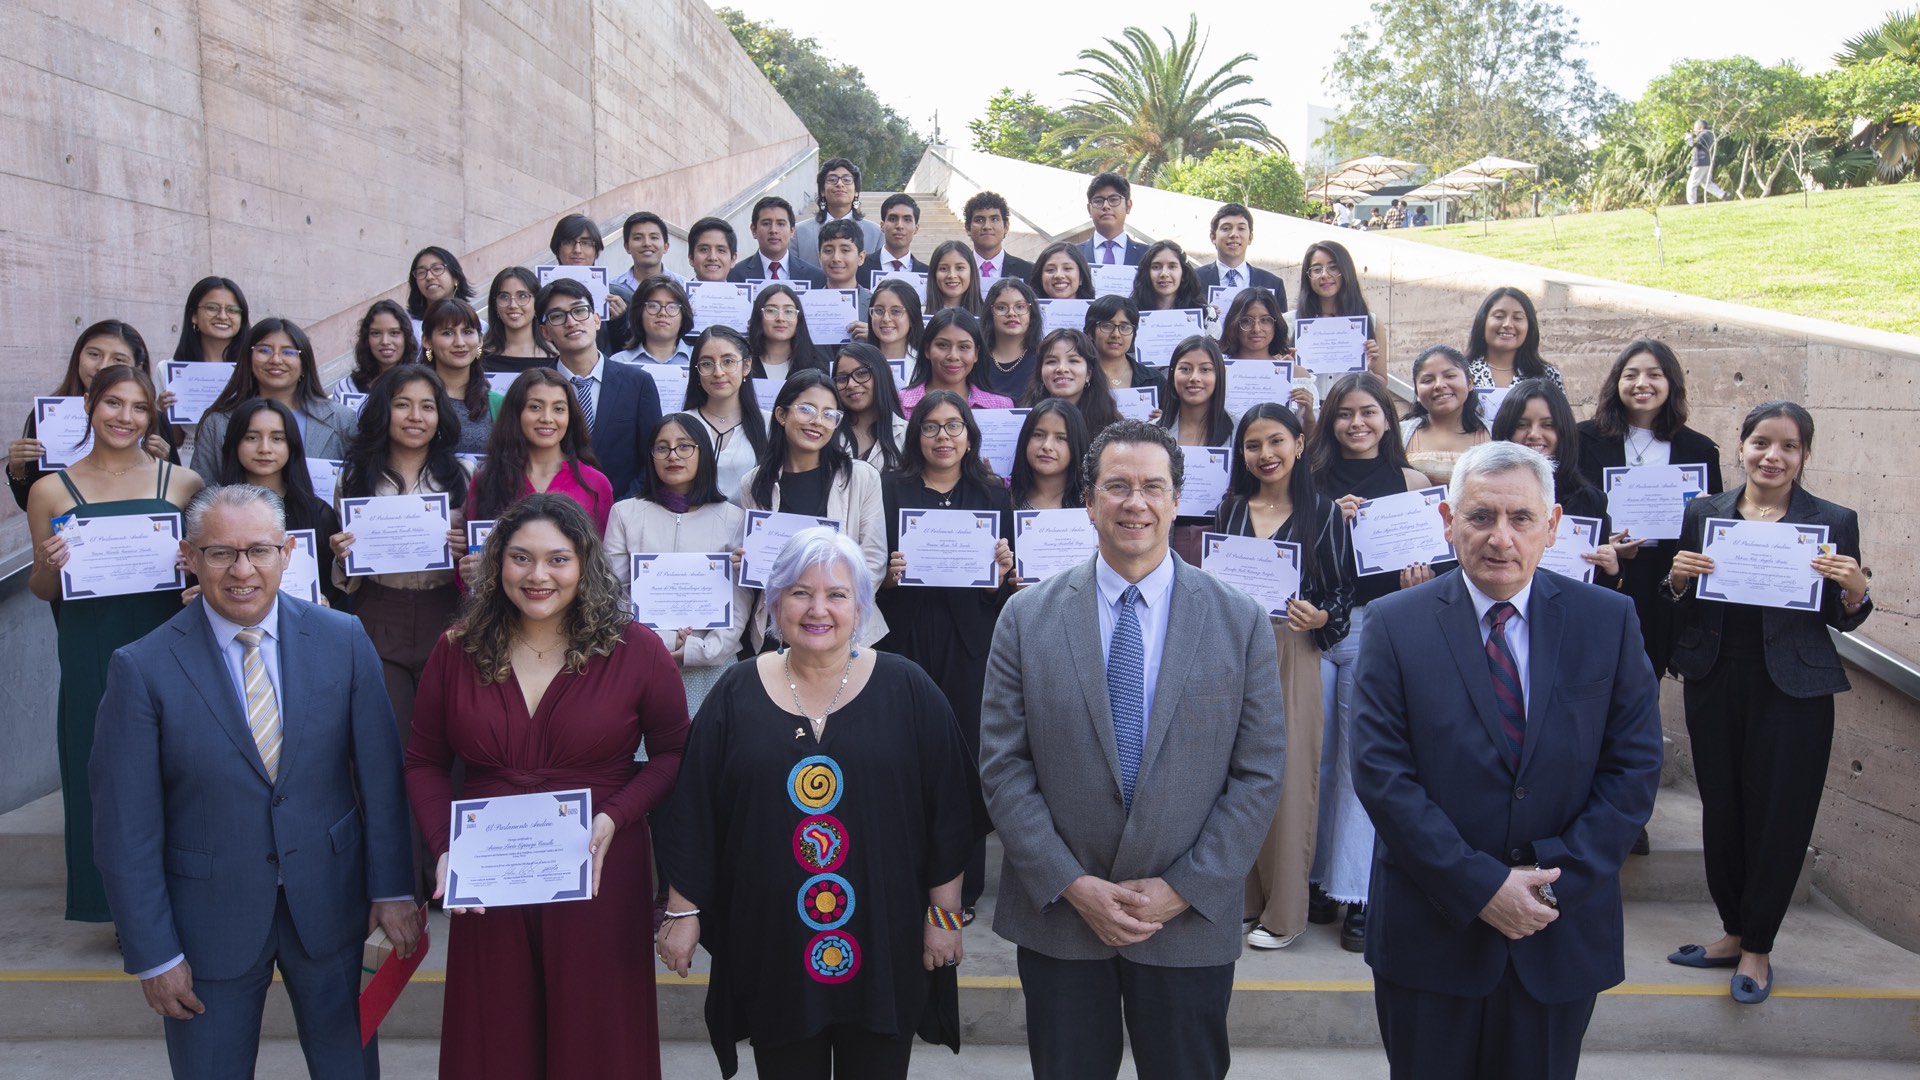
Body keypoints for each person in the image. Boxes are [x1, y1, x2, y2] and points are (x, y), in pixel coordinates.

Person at [979, 419, 1286, 1080]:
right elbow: (1004, 766)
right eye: (1117, 487)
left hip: (1187, 919)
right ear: (1089, 501)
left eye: (1152, 487)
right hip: (1062, 916)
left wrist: (1187, 886)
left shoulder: (1239, 619)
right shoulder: (1026, 619)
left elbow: (1259, 772)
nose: (1134, 503)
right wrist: (1071, 883)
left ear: (1177, 500)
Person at [1351, 440, 1665, 1080]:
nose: (1501, 538)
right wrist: (1482, 887)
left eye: (1521, 518)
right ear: (1447, 521)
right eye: (1480, 516)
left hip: (1558, 932)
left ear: (1551, 527)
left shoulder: (1608, 620)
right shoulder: (1393, 625)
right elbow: (1383, 778)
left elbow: (1633, 770)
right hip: (1431, 935)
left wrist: (1552, 886)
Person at [90, 483, 418, 1079]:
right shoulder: (140, 667)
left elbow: (382, 780)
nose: (242, 570)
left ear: (287, 552)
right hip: (207, 920)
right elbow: (125, 828)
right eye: (220, 553)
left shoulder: (344, 640)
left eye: (259, 551)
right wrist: (153, 953)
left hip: (331, 904)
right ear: (189, 557)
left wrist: (393, 887)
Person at [656, 527, 979, 1079]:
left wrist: (944, 916)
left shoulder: (909, 688)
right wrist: (683, 912)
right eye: (800, 593)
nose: (818, 609)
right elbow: (694, 813)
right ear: (775, 603)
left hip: (885, 937)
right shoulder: (734, 692)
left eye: (836, 594)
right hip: (774, 941)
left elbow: (950, 812)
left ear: (861, 607)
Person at [408, 493, 689, 1079]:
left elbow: (673, 753)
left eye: (557, 559)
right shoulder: (457, 650)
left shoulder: (635, 649)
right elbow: (424, 761)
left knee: (597, 1039)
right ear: (497, 564)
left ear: (584, 564)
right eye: (521, 558)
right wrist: (445, 847)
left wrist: (616, 815)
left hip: (599, 868)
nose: (539, 575)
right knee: (495, 1038)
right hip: (491, 875)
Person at [1663, 401, 1870, 1004]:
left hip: (1794, 690)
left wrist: (1856, 593)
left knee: (1780, 816)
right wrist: (1677, 579)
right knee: (1722, 809)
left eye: (1787, 446)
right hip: (1715, 679)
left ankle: (1758, 946)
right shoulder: (1706, 511)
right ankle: (1732, 931)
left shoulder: (1832, 519)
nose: (1771, 456)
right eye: (1760, 442)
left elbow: (1839, 617)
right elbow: (1683, 600)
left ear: (1805, 455)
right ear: (1742, 446)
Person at [28, 365, 204, 923]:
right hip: (90, 646)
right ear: (89, 407)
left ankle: (182, 896)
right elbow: (39, 589)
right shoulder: (50, 489)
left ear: (151, 415)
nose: (124, 417)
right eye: (113, 404)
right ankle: (115, 906)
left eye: (137, 407)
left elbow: (208, 576)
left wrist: (191, 564)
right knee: (100, 775)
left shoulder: (183, 483)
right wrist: (50, 565)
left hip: (168, 642)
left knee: (179, 772)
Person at [1308, 373, 1444, 951]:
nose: (1356, 423)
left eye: (1368, 412)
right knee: (1314, 761)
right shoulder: (1309, 480)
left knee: (1359, 763)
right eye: (1344, 413)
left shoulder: (1413, 481)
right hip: (1312, 629)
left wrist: (1422, 579)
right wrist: (1324, 523)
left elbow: (1434, 560)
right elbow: (1293, 553)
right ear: (1329, 420)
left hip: (1376, 627)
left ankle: (1358, 893)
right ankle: (1315, 879)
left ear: (1389, 420)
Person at [1215, 402, 1352, 951]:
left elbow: (1343, 594)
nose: (1265, 454)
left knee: (1290, 777)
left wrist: (1320, 617)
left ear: (1299, 444)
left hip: (1293, 649)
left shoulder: (1324, 513)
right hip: (1231, 650)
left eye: (1276, 441)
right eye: (1252, 445)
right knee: (1232, 773)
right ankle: (1244, 899)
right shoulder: (1229, 509)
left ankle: (1284, 912)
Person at [878, 391, 1016, 915]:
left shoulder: (993, 494)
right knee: (905, 758)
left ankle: (964, 886)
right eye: (931, 427)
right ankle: (907, 877)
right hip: (905, 638)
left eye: (953, 427)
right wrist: (887, 578)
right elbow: (872, 570)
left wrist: (998, 575)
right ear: (916, 435)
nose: (942, 437)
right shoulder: (892, 489)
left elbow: (1001, 593)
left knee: (963, 763)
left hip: (967, 645)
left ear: (969, 435)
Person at [330, 366, 474, 747]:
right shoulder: (356, 478)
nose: (416, 417)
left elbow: (483, 559)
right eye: (403, 405)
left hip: (448, 612)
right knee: (386, 738)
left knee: (448, 738)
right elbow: (348, 573)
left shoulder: (464, 474)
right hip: (379, 612)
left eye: (427, 406)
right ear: (383, 411)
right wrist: (343, 555)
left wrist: (467, 552)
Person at [1576, 338, 1724, 680]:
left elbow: (1713, 524)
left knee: (1647, 670)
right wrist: (1605, 540)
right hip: (1605, 572)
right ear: (1617, 383)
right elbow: (1570, 507)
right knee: (1596, 668)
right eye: (1631, 375)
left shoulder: (1699, 449)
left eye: (1654, 374)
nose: (1642, 383)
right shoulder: (1583, 439)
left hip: (1664, 577)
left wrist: (1699, 514)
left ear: (1670, 383)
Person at [604, 414, 750, 715]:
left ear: (703, 454)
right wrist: (657, 644)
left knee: (709, 755)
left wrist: (701, 651)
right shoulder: (625, 514)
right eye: (662, 447)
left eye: (684, 446)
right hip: (638, 660)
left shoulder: (733, 518)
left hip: (711, 667)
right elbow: (613, 593)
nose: (673, 455)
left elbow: (739, 603)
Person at [741, 371, 890, 648]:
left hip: (841, 629)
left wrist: (833, 611)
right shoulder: (753, 483)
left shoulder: (861, 477)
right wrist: (746, 564)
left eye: (829, 414)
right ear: (781, 415)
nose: (817, 422)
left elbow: (873, 561)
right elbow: (763, 573)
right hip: (780, 631)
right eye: (807, 409)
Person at [10, 321, 170, 510]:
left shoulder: (154, 420)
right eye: (94, 354)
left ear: (138, 366)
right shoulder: (47, 416)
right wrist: (17, 469)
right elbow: (30, 504)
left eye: (118, 359)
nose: (102, 366)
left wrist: (163, 465)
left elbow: (175, 506)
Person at [216, 397, 347, 609]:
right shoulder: (214, 513)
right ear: (235, 442)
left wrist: (325, 601)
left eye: (277, 438)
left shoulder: (318, 513)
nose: (264, 448)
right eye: (251, 437)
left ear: (291, 445)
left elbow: (334, 587)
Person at [539, 276, 662, 500]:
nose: (571, 322)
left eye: (579, 311)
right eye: (557, 316)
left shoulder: (638, 383)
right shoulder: (535, 388)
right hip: (554, 516)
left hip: (623, 516)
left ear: (596, 320)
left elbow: (653, 459)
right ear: (545, 332)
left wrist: (619, 512)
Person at [191, 319, 357, 483]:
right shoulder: (218, 423)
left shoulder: (341, 420)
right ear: (248, 359)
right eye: (264, 350)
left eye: (288, 352)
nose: (276, 359)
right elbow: (202, 493)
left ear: (304, 363)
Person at [1490, 379, 1620, 587]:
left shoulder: (1590, 501)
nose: (1533, 434)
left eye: (1547, 425)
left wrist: (1611, 568)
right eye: (1522, 425)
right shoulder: (1484, 494)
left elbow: (1600, 588)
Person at [466, 369, 614, 536]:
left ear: (570, 417)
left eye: (558, 409)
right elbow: (476, 551)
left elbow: (601, 557)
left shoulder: (595, 483)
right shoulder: (486, 481)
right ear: (516, 413)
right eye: (535, 407)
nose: (547, 418)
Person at [685, 326, 769, 505]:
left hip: (747, 529)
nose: (718, 372)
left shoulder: (769, 424)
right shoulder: (680, 423)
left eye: (728, 361)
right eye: (707, 364)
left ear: (746, 366)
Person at [1295, 241, 1388, 385]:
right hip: (1308, 406)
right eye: (1316, 269)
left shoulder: (1372, 322)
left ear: (1346, 271)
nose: (1325, 275)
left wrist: (1366, 369)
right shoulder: (1290, 323)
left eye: (1333, 267)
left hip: (1351, 405)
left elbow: (1382, 381)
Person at [1218, 288, 1315, 423]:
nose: (1256, 329)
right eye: (1246, 321)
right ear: (1234, 324)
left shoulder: (1296, 375)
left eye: (1265, 320)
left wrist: (1308, 414)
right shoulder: (1217, 369)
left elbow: (1310, 438)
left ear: (1276, 324)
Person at [423, 297, 504, 456]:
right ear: (427, 341)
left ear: (480, 339)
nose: (459, 342)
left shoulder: (498, 404)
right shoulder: (409, 399)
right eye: (447, 333)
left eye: (467, 332)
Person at [1400, 344, 1491, 486]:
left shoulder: (1496, 434)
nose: (1439, 385)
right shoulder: (1398, 434)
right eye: (1428, 380)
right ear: (1417, 392)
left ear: (1470, 383)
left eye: (1449, 376)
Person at [901, 309, 1016, 412]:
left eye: (964, 347)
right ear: (927, 350)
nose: (953, 356)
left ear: (976, 353)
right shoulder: (901, 403)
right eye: (942, 345)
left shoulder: (1001, 407)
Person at [550, 212, 632, 355]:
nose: (577, 250)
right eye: (569, 242)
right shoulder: (538, 295)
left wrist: (620, 322)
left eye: (586, 243)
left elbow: (631, 351)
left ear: (596, 251)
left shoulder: (620, 296)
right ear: (557, 248)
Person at [1022, 328, 1124, 435]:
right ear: (1041, 373)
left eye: (1073, 361)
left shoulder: (1112, 427)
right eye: (1051, 361)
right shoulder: (1027, 419)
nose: (1062, 368)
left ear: (1088, 374)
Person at [1466, 287, 1562, 390]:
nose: (1507, 324)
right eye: (1499, 316)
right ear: (1483, 321)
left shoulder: (1547, 376)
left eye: (1517, 318)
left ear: (1529, 327)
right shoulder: (1462, 372)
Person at [833, 342, 908, 472]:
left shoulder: (908, 434)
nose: (851, 384)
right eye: (842, 378)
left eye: (861, 373)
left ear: (881, 375)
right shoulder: (828, 433)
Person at [1195, 203, 1286, 306]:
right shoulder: (1193, 280)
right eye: (1226, 228)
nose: (1234, 234)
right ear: (1213, 237)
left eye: (1241, 228)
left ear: (1250, 237)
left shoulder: (1273, 284)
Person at [794, 157, 884, 259]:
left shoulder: (876, 234)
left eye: (847, 180)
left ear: (856, 191)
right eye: (832, 179)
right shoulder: (798, 233)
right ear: (822, 191)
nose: (840, 184)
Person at [727, 196, 827, 287]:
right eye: (766, 223)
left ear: (792, 231)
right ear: (754, 230)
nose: (773, 230)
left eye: (781, 224)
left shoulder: (815, 277)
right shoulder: (734, 275)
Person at [1009, 399, 1090, 511]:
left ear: (1076, 444)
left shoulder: (1091, 505)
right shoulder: (1004, 502)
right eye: (1038, 435)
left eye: (1061, 438)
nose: (1047, 446)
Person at [1085, 294, 1165, 400]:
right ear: (1090, 332)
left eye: (1125, 327)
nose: (1116, 334)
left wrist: (1162, 416)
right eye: (1107, 326)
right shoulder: (1078, 377)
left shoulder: (1154, 379)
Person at [480, 267, 555, 375]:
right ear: (495, 305)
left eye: (522, 296)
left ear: (537, 302)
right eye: (504, 297)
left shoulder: (557, 357)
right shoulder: (479, 355)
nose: (513, 305)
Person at [336, 299, 419, 396]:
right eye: (376, 333)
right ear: (366, 339)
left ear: (406, 337)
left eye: (394, 333)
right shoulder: (347, 389)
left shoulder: (424, 384)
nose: (385, 341)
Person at [748, 282, 826, 381]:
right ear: (758, 316)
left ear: (799, 318)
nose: (780, 318)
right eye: (771, 311)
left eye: (788, 311)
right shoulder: (742, 362)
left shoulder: (816, 367)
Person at [611, 275, 694, 367]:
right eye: (653, 306)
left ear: (683, 316)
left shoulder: (699, 359)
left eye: (672, 307)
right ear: (639, 313)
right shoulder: (617, 363)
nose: (663, 313)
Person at [815, 219, 874, 344]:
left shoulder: (876, 305)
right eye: (828, 251)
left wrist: (875, 339)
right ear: (819, 257)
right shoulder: (805, 305)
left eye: (845, 250)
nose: (836, 258)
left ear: (861, 257)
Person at [982, 279, 1042, 399]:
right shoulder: (976, 358)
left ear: (1031, 312)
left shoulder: (1043, 357)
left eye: (1020, 307)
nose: (1011, 313)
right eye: (1001, 308)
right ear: (990, 313)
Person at [170, 276, 251, 366]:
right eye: (212, 308)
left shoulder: (256, 370)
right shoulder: (167, 370)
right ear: (194, 315)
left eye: (232, 310)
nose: (222, 316)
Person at [1077, 172, 1150, 266]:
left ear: (1128, 206)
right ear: (1089, 209)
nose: (1106, 206)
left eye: (1114, 199)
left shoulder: (1148, 255)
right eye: (1098, 201)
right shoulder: (1073, 256)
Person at [406, 246, 479, 338]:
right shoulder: (407, 327)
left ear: (455, 278)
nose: (429, 277)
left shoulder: (478, 327)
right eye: (421, 272)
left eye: (437, 269)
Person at [859, 193, 929, 282]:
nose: (899, 226)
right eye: (892, 219)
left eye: (907, 219)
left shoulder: (928, 274)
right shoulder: (859, 267)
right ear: (882, 225)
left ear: (916, 228)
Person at [965, 190, 1033, 282]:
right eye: (979, 220)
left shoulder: (1028, 271)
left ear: (1006, 226)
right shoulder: (957, 271)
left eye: (994, 219)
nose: (987, 226)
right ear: (968, 228)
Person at [1129, 240, 1206, 313]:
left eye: (1172, 266)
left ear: (1183, 273)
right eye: (1156, 267)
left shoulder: (1205, 313)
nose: (1164, 274)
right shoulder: (1129, 313)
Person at [615, 210, 682, 292]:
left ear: (666, 246)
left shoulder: (684, 288)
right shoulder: (611, 289)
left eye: (654, 237)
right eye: (638, 238)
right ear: (627, 247)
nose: (647, 243)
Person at [868, 279, 924, 367]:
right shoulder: (857, 363)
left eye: (895, 311)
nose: (886, 319)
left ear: (912, 318)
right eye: (879, 310)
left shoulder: (926, 364)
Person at [926, 240, 984, 318]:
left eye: (959, 268)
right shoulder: (919, 314)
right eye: (943, 269)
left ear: (972, 272)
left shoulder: (988, 316)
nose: (952, 275)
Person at [1029, 241, 1096, 301]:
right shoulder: (1027, 313)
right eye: (1050, 270)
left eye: (1067, 268)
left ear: (1081, 277)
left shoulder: (1096, 314)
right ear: (1040, 278)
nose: (1059, 275)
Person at [686, 216, 740, 283]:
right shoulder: (677, 293)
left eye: (721, 250)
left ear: (733, 259)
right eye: (704, 249)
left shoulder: (746, 293)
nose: (713, 257)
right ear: (691, 257)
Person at [1686, 120, 1728, 204]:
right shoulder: (1709, 134)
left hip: (1700, 162)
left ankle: (1692, 201)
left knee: (1692, 183)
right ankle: (1722, 195)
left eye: (1695, 126)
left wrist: (1688, 137)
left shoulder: (1702, 135)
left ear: (1701, 127)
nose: (1694, 128)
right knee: (1707, 183)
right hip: (1707, 162)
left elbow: (1692, 144)